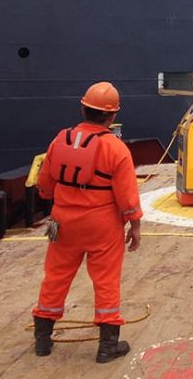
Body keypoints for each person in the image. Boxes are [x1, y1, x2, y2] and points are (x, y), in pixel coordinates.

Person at [32, 81, 143, 363]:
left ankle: (43, 340)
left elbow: (45, 183)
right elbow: (127, 194)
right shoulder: (115, 149)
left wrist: (54, 200)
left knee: (56, 276)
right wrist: (135, 225)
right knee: (105, 281)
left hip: (62, 222)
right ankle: (107, 346)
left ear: (83, 109)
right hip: (101, 225)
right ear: (112, 115)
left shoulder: (61, 139)